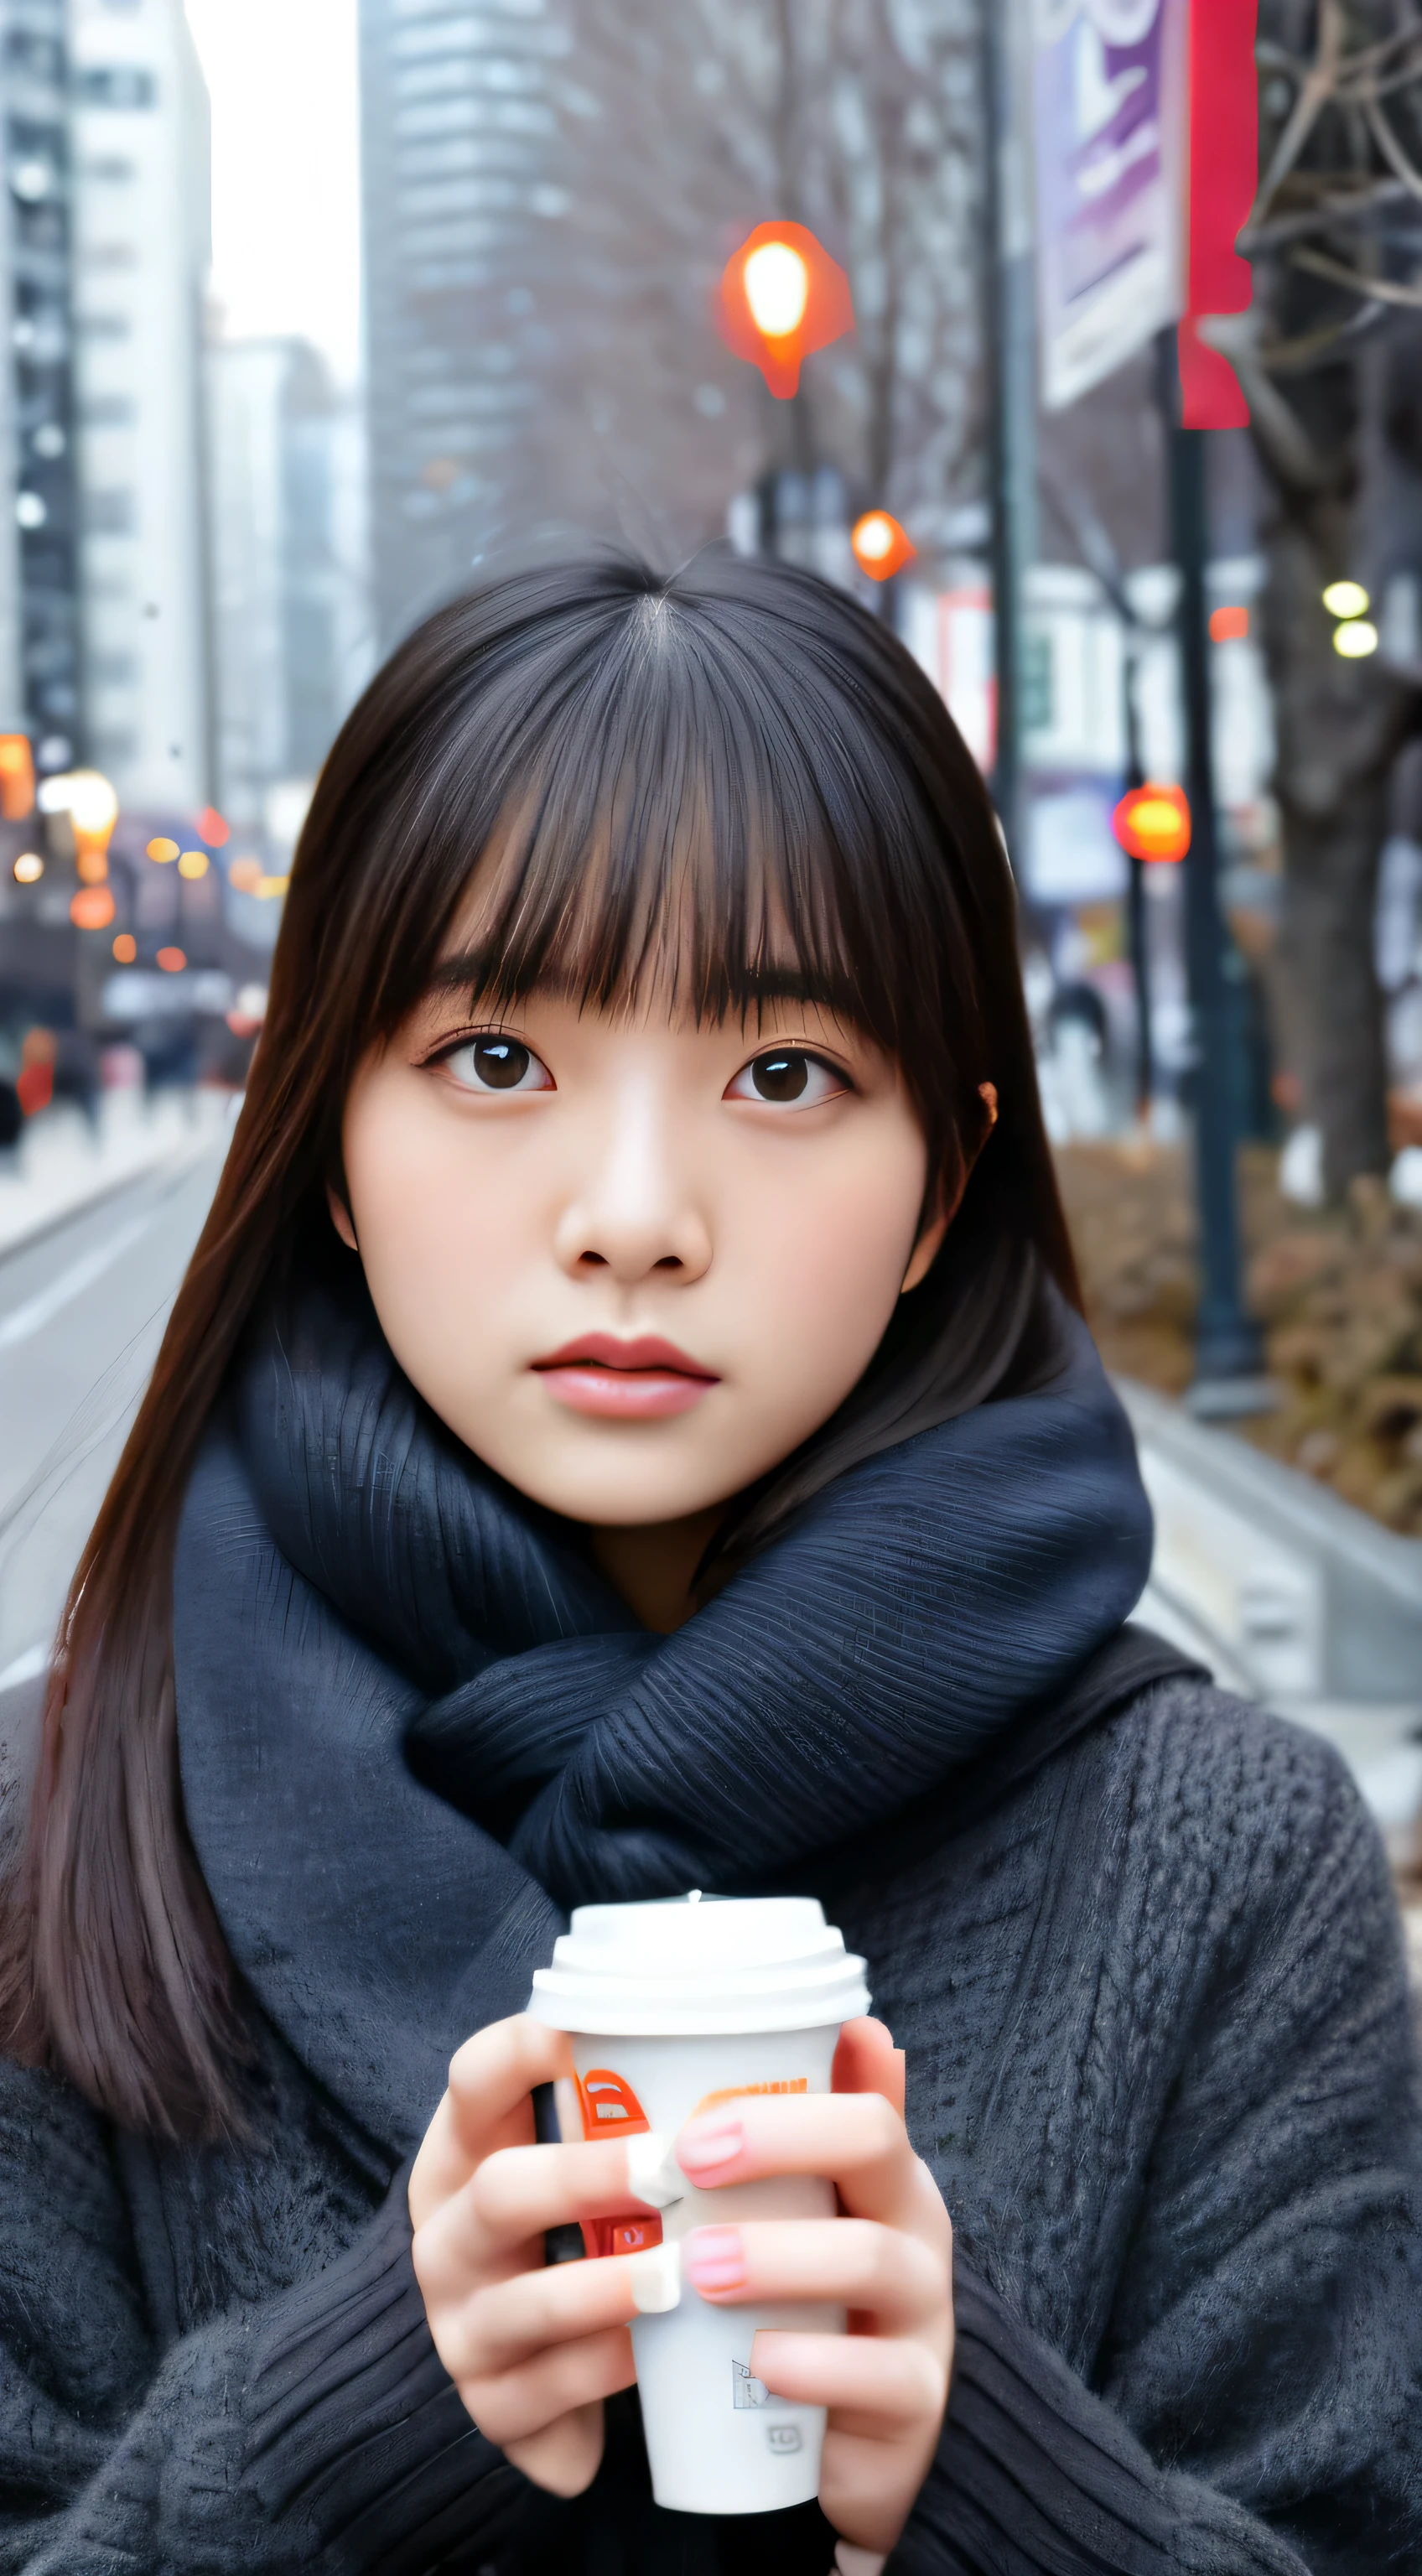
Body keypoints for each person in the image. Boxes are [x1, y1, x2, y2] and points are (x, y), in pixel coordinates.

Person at [0, 553, 1415, 2576]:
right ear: (325, 1136)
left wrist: (987, 2474)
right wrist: (349, 2431)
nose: (638, 1215)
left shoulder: (1223, 1862)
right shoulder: (48, 1836)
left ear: (943, 1178)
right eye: (496, 1059)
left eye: (783, 1075)